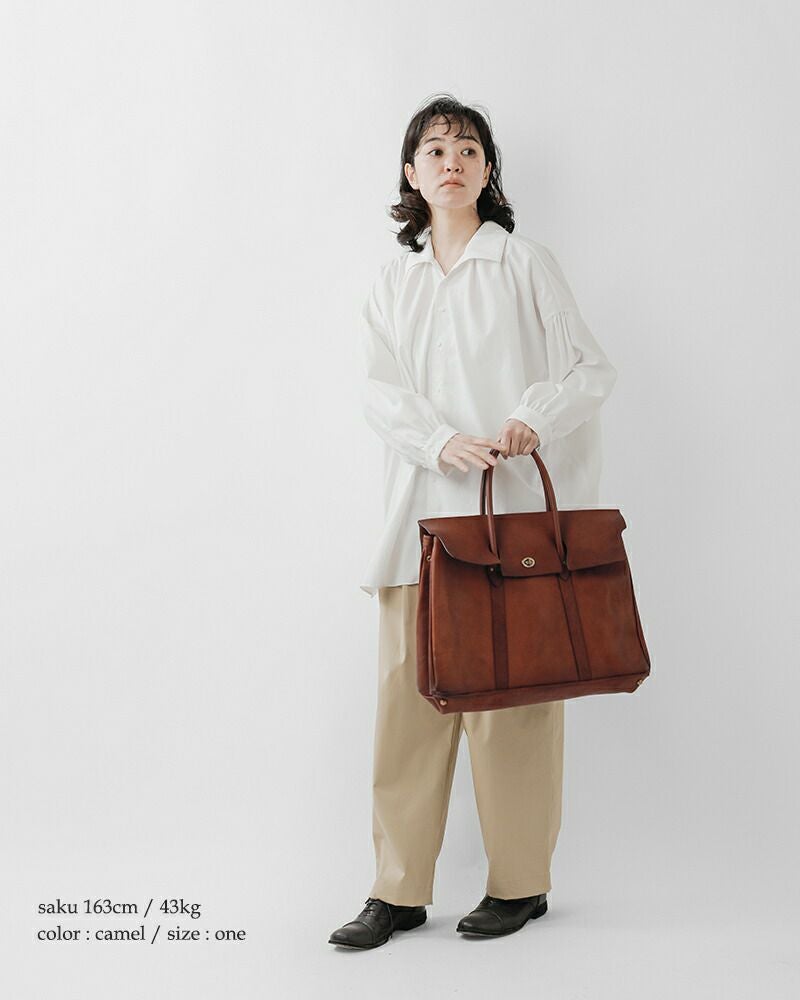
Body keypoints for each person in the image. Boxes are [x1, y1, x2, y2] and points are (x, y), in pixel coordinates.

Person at [329, 94, 618, 949]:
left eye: (467, 148)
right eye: (434, 149)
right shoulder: (394, 280)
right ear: (411, 174)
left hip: (511, 531)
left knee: (514, 707)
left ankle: (520, 885)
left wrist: (533, 416)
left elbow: (588, 369)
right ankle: (397, 891)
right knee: (407, 707)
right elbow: (377, 391)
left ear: (488, 170)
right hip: (416, 526)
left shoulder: (524, 263)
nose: (450, 161)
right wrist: (438, 440)